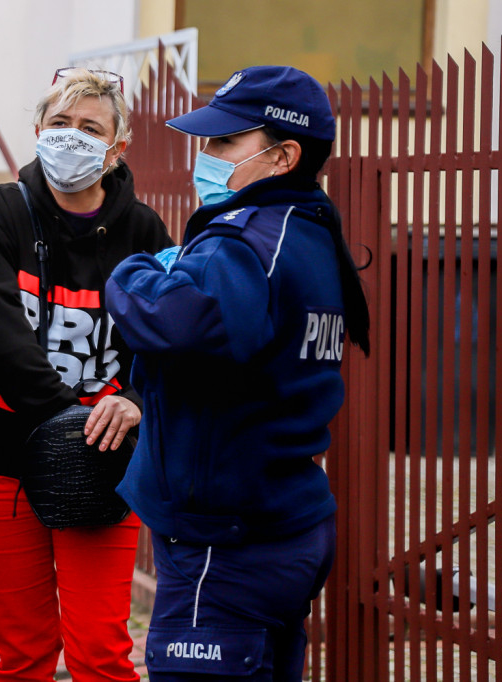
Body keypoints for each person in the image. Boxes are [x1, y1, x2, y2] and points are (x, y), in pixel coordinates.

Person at [105, 65, 371, 681]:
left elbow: (175, 322)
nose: (209, 154)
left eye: (227, 142)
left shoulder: (247, 240)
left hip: (224, 547)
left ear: (283, 156)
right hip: (283, 524)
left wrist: (135, 270)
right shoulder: (309, 231)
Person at [0, 67, 173, 681]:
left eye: (90, 128)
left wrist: (133, 399)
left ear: (117, 148)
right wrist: (68, 416)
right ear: (39, 130)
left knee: (101, 652)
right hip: (0, 456)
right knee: (24, 655)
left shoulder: (145, 232)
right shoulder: (1, 212)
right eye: (60, 125)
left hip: (102, 459)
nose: (71, 138)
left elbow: (164, 343)